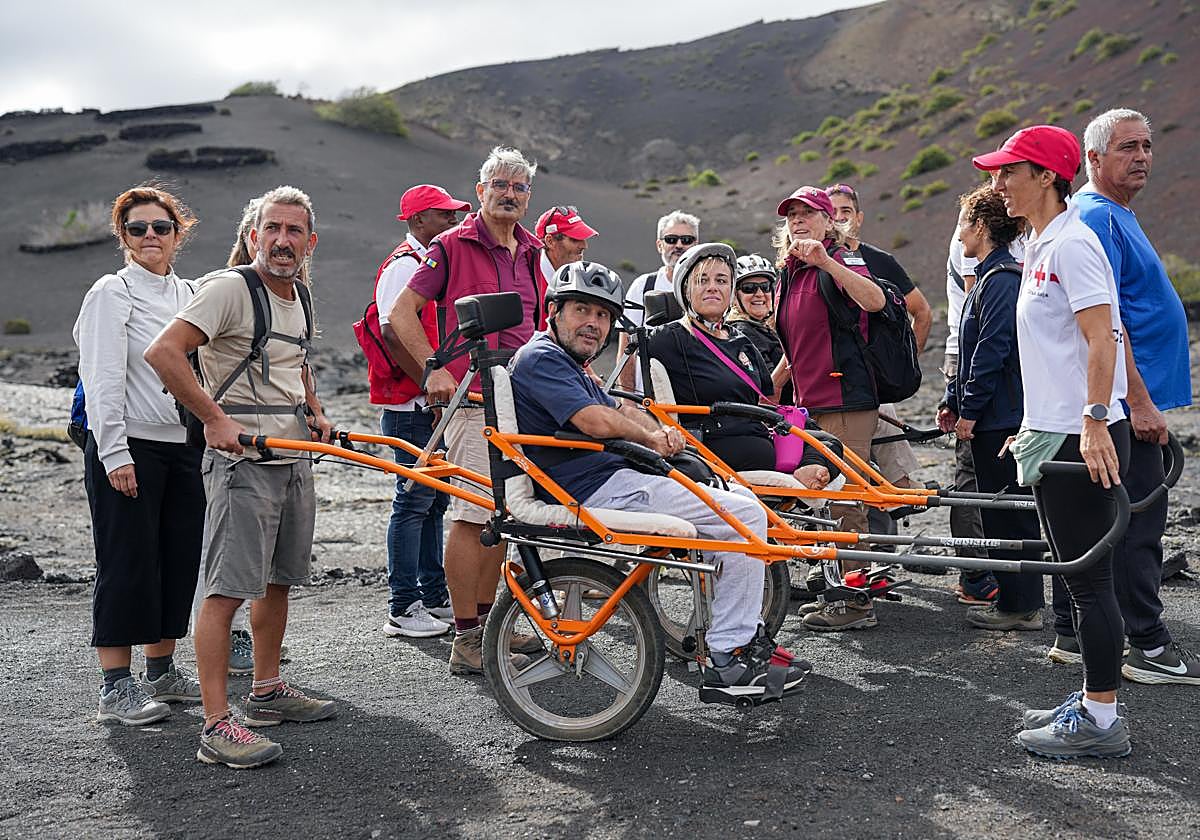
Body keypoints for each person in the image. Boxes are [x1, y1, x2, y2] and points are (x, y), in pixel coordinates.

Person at [509, 260, 811, 701]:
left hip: (614, 477)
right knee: (743, 514)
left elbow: (617, 406)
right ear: (553, 311)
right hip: (594, 486)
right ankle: (729, 656)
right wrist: (651, 435)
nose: (593, 323)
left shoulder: (571, 363)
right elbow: (595, 421)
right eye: (581, 310)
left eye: (603, 316)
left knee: (737, 509)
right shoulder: (542, 358)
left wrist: (657, 431)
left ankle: (743, 641)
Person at [146, 186, 337, 770]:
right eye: (271, 229)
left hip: (292, 456)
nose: (282, 241)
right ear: (252, 234)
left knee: (278, 580)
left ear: (309, 241)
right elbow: (164, 353)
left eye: (294, 231)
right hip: (242, 463)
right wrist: (214, 418)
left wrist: (317, 410)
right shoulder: (229, 290)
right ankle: (215, 723)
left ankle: (266, 691)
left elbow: (295, 363)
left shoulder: (299, 294)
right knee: (227, 590)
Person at [974, 124, 1132, 759]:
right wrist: (1031, 423)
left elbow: (1104, 339)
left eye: (1010, 171)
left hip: (1083, 435)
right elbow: (1052, 351)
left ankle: (1101, 719)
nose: (998, 182)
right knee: (1079, 580)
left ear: (1046, 176)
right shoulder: (1039, 244)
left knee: (1089, 582)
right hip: (1057, 428)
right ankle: (1095, 699)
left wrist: (1094, 420)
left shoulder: (1074, 243)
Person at [388, 147, 548, 676]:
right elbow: (400, 314)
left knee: (504, 518)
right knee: (473, 513)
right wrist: (434, 369)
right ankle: (465, 636)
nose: (509, 194)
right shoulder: (452, 245)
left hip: (523, 399)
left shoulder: (531, 250)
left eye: (519, 187)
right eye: (499, 184)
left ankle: (489, 624)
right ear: (480, 191)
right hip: (473, 399)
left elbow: (540, 325)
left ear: (528, 197)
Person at [1071, 108, 1197, 683]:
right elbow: (1107, 322)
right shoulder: (1097, 216)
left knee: (1117, 520)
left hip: (1129, 398)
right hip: (1124, 402)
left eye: (1146, 145)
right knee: (1137, 522)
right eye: (1126, 147)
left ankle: (1085, 635)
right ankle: (1146, 643)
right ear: (1093, 159)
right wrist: (1139, 402)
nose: (1142, 156)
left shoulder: (1117, 211)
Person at [73, 185, 204, 726]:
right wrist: (113, 453)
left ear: (178, 233)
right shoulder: (111, 292)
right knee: (127, 561)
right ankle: (115, 687)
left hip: (183, 447)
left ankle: (162, 671)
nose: (150, 236)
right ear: (122, 236)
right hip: (129, 445)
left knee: (177, 559)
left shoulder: (193, 292)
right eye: (137, 228)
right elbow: (100, 376)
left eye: (160, 227)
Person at [769, 185, 885, 632]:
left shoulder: (837, 258)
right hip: (808, 401)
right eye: (792, 215)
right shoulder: (791, 270)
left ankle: (856, 603)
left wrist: (826, 261)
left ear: (827, 220)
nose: (798, 221)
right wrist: (775, 385)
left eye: (808, 213)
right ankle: (836, 589)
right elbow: (797, 341)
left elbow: (873, 301)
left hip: (845, 398)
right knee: (819, 498)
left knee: (846, 499)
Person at [645, 242, 842, 488]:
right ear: (685, 289)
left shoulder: (740, 340)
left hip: (755, 432)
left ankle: (806, 472)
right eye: (702, 280)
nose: (712, 288)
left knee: (829, 441)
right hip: (714, 441)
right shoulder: (670, 337)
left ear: (730, 290)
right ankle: (803, 475)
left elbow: (766, 397)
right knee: (775, 447)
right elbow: (633, 356)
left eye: (721, 281)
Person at [940, 184, 1045, 631]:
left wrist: (970, 411)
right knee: (999, 509)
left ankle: (1021, 605)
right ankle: (1014, 600)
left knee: (1010, 511)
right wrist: (952, 400)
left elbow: (992, 350)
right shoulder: (986, 276)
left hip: (1001, 418)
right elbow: (967, 352)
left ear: (981, 226)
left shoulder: (1001, 279)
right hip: (989, 414)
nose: (960, 232)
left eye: (964, 222)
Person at [372, 184, 470, 638]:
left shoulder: (425, 263)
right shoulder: (404, 267)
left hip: (426, 405)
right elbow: (393, 331)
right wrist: (430, 387)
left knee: (432, 502)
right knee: (412, 503)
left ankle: (432, 596)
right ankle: (402, 605)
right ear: (417, 221)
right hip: (414, 406)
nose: (452, 222)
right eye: (443, 215)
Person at [825, 182, 927, 536]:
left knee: (881, 424)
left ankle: (894, 506)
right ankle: (898, 500)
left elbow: (922, 312)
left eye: (846, 212)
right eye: (832, 211)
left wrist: (902, 365)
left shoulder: (880, 261)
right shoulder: (812, 262)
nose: (839, 218)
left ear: (859, 218)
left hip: (870, 383)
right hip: (832, 385)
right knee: (859, 464)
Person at [617, 210, 700, 391]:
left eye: (687, 240)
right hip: (647, 398)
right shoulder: (643, 286)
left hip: (696, 401)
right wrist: (628, 400)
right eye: (671, 239)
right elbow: (626, 348)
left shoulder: (708, 288)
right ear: (659, 245)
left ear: (696, 245)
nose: (679, 245)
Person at [536, 205, 597, 281]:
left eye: (583, 238)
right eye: (575, 239)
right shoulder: (526, 280)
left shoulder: (583, 279)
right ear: (550, 241)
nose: (584, 246)